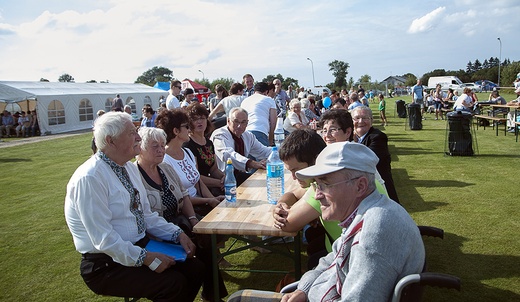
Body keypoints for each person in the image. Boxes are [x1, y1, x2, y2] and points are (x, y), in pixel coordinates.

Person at [228, 142, 425, 302]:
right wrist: (304, 289)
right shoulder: (363, 214)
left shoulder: (373, 232)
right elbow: (331, 259)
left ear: (360, 186)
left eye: (325, 184)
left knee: (237, 299)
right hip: (317, 294)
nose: (317, 194)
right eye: (316, 185)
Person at [64, 111, 204, 302]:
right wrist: (147, 258)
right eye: (132, 133)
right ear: (110, 140)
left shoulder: (128, 168)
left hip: (139, 246)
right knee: (172, 283)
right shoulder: (90, 177)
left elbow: (146, 215)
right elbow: (104, 240)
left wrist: (177, 233)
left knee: (195, 269)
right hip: (105, 264)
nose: (138, 137)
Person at [135, 127, 228, 301]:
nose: (161, 150)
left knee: (205, 237)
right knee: (199, 258)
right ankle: (210, 295)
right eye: (155, 146)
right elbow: (144, 217)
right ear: (140, 147)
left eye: (162, 145)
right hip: (157, 232)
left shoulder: (165, 168)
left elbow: (184, 195)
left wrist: (193, 220)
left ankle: (213, 295)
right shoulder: (135, 175)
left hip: (180, 222)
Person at [155, 108, 224, 217]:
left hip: (202, 203)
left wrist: (213, 200)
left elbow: (198, 182)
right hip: (186, 211)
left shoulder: (187, 152)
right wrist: (209, 201)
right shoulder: (164, 161)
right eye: (186, 126)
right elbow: (179, 198)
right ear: (176, 131)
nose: (189, 129)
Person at [210, 107, 272, 186]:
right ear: (228, 121)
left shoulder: (248, 135)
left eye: (243, 122)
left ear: (247, 123)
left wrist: (280, 153)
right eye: (236, 121)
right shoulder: (219, 135)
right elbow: (228, 155)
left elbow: (263, 151)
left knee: (266, 183)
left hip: (238, 176)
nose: (240, 126)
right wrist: (251, 163)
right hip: (222, 179)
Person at [352, 106, 399, 203]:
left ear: (371, 121)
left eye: (365, 118)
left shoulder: (378, 137)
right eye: (357, 118)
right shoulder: (351, 138)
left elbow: (366, 160)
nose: (360, 121)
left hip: (380, 191)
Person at [184, 102, 225, 196]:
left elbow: (213, 170)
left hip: (212, 186)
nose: (199, 122)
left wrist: (225, 177)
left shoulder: (209, 143)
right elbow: (195, 177)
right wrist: (219, 183)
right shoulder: (188, 144)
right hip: (197, 192)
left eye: (202, 118)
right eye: (195, 119)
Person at [240, 82, 277, 146]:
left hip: (245, 133)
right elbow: (273, 122)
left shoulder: (245, 101)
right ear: (266, 92)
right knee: (264, 155)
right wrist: (271, 139)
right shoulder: (269, 100)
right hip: (260, 131)